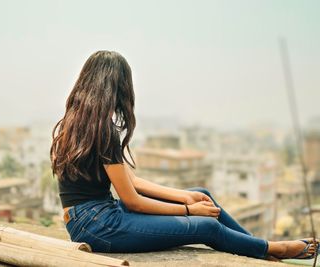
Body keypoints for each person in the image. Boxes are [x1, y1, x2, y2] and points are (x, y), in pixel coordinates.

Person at [50, 50, 319, 261]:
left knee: (201, 192)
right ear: (117, 89)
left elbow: (133, 182)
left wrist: (187, 196)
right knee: (207, 228)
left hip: (93, 218)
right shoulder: (102, 130)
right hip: (97, 227)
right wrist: (189, 210)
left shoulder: (77, 125)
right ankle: (274, 248)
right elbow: (132, 201)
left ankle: (257, 249)